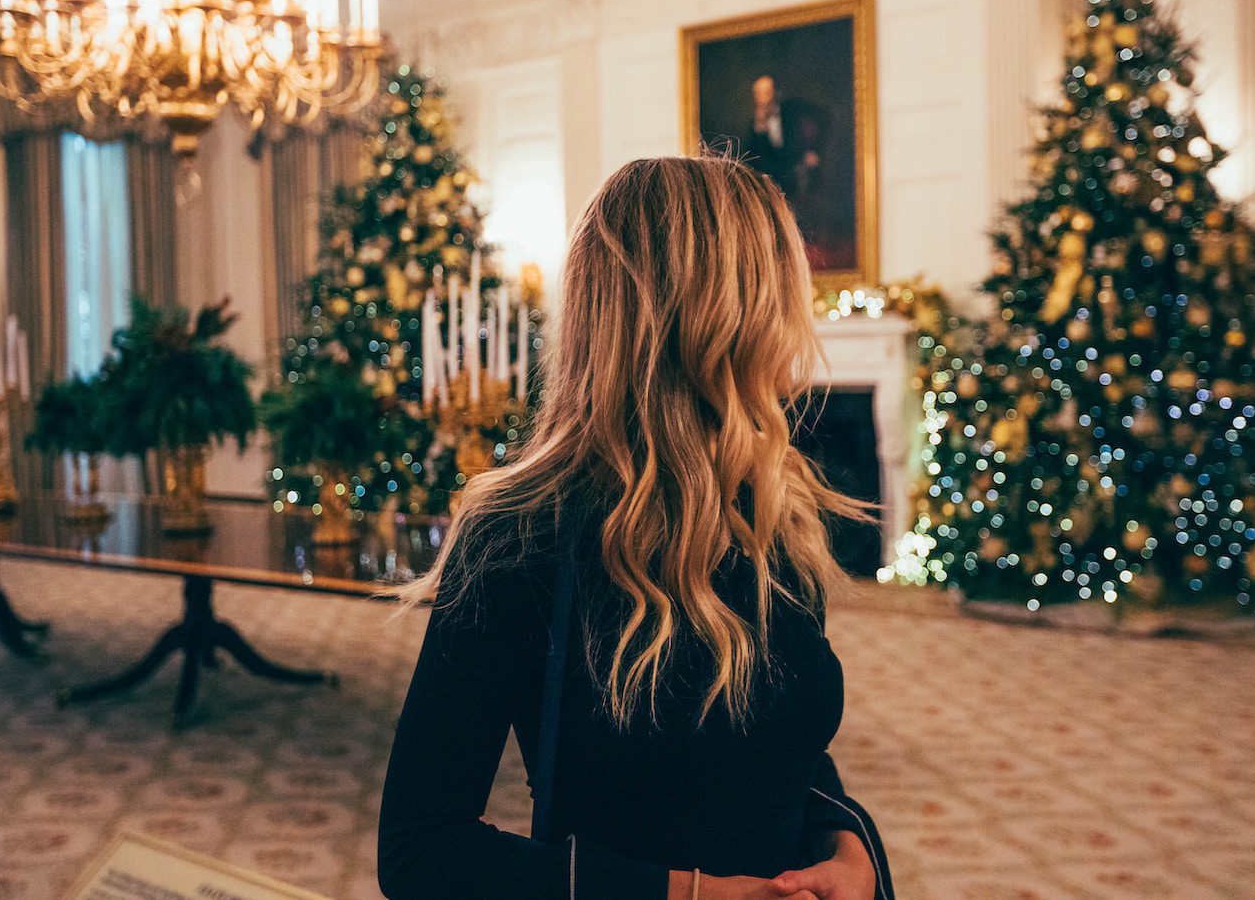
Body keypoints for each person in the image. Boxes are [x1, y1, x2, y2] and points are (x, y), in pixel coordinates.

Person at [377, 156, 893, 900]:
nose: (798, 329)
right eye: (784, 294)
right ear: (723, 316)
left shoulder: (776, 511)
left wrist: (848, 849)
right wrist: (688, 893)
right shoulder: (518, 535)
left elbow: (783, 744)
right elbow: (420, 850)